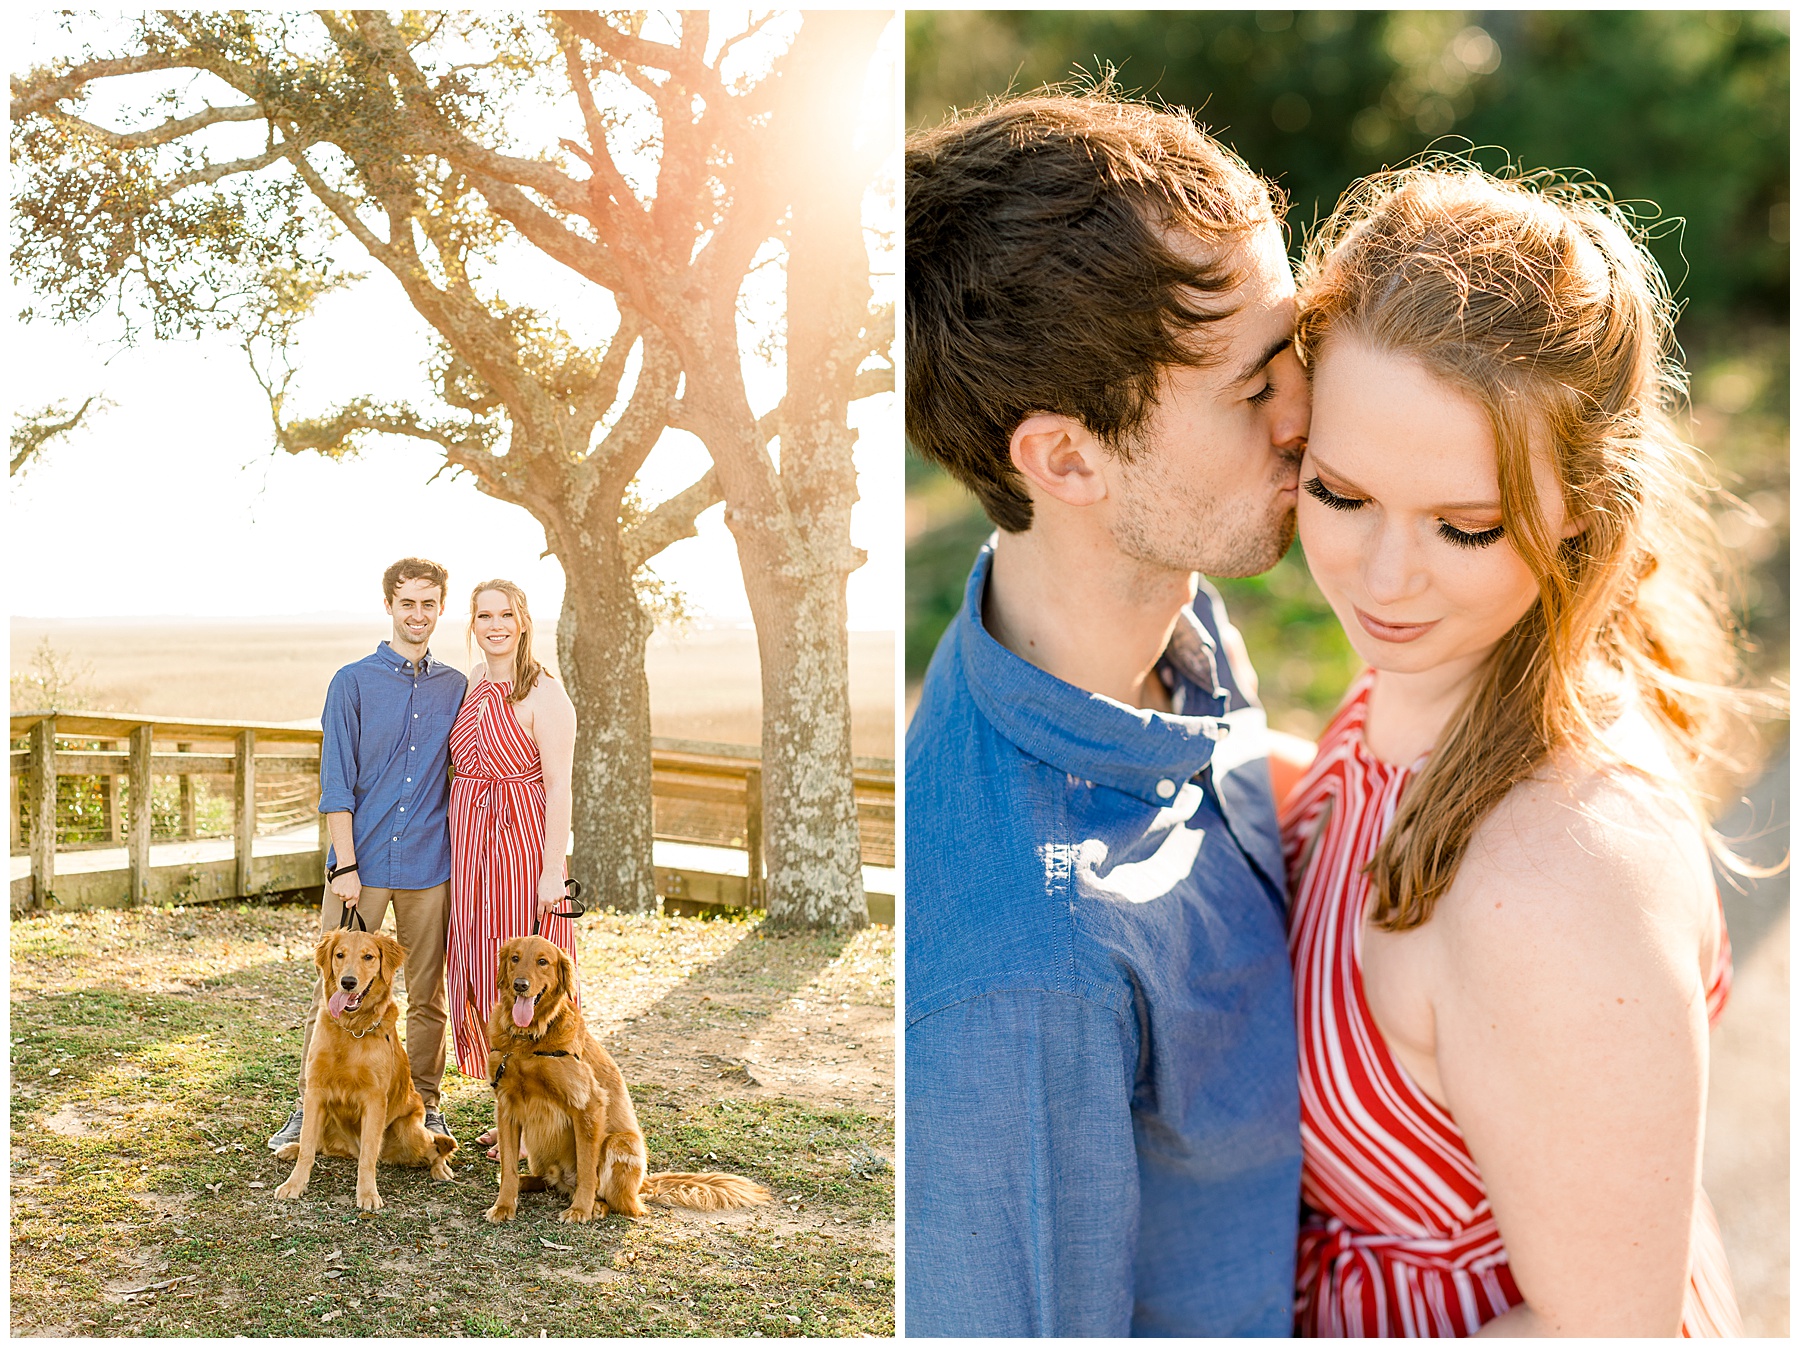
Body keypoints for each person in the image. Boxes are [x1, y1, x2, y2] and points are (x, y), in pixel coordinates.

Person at [1282, 163, 1748, 1335]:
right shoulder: (1446, 664)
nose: (1383, 579)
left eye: (1467, 525)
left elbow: (1605, 1333)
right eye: (1339, 495)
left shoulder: (1557, 874)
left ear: (1583, 503)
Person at [904, 91, 1314, 1336]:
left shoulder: (1159, 623)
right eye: (1254, 390)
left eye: (1295, 352)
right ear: (1069, 459)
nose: (1305, 414)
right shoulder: (1021, 976)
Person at [269, 557, 465, 1151]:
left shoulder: (455, 687)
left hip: (430, 864)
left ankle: (425, 1103)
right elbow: (336, 783)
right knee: (333, 987)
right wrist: (346, 865)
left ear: (440, 608)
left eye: (429, 604)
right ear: (389, 605)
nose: (418, 614)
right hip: (363, 864)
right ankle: (309, 1107)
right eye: (408, 603)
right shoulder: (351, 683)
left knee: (427, 993)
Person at [441, 579, 579, 1158]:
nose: (494, 625)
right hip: (469, 848)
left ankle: (542, 1120)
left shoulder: (546, 695)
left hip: (520, 848)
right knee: (481, 972)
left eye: (505, 614)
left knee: (530, 979)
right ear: (472, 624)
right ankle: (510, 1108)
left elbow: (560, 790)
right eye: (483, 615)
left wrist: (553, 872)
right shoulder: (473, 683)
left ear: (523, 620)